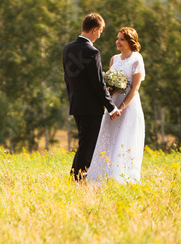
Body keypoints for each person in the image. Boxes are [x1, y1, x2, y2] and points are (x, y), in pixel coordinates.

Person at [62, 13, 120, 181]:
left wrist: (72, 98)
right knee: (88, 146)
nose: (99, 35)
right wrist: (111, 107)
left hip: (76, 104)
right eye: (100, 31)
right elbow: (98, 83)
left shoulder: (68, 48)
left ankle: (77, 178)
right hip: (90, 107)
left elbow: (68, 78)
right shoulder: (92, 51)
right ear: (94, 30)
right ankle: (77, 180)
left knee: (84, 144)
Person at [88, 27, 146, 184]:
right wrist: (109, 99)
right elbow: (108, 83)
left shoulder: (137, 59)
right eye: (117, 38)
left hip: (128, 106)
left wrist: (121, 108)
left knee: (124, 138)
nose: (117, 41)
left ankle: (121, 178)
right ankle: (100, 177)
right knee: (108, 138)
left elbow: (134, 89)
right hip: (112, 105)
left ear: (130, 42)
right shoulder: (114, 59)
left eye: (121, 39)